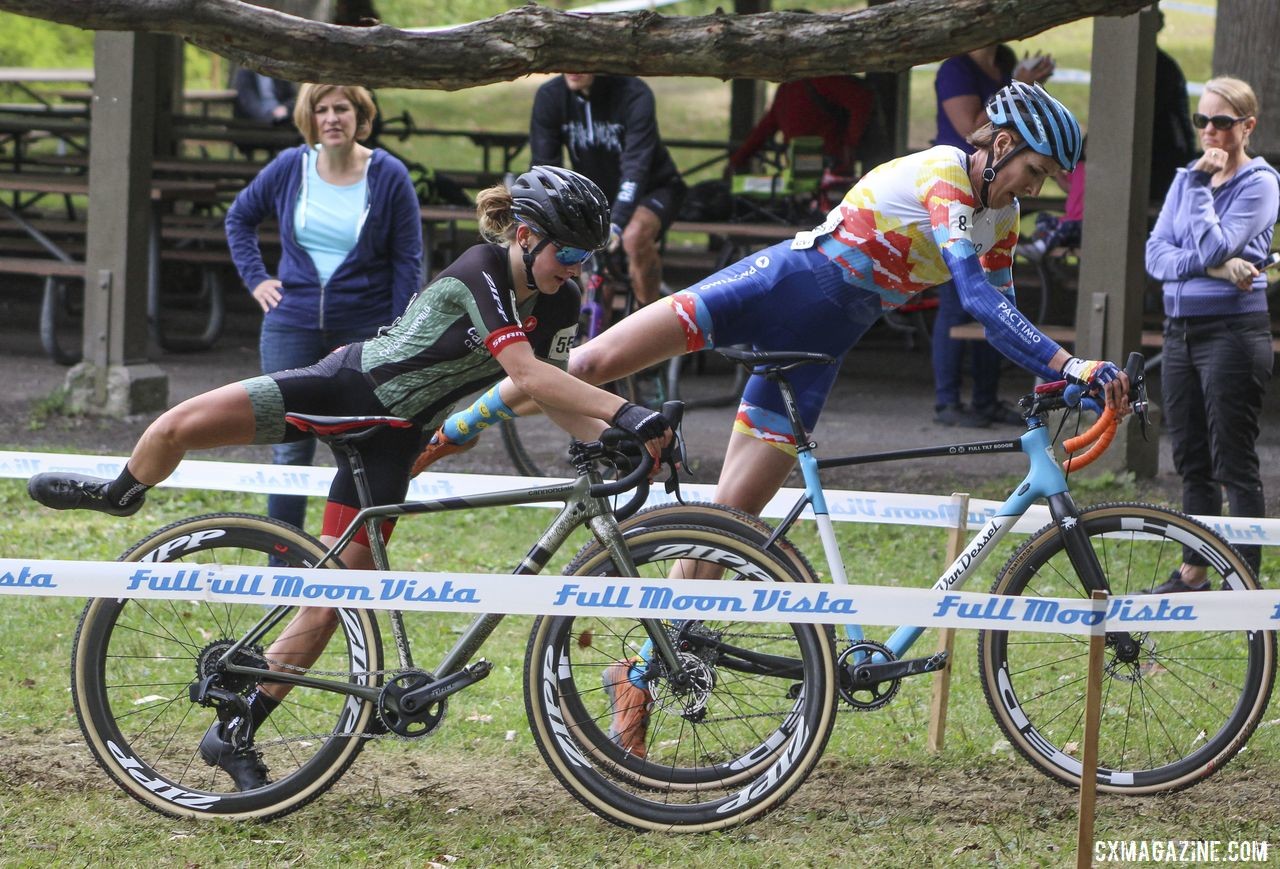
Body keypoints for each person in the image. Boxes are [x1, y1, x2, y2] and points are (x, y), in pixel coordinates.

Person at [417, 83, 1132, 751]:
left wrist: (1059, 375)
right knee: (592, 364)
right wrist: (1071, 364)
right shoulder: (945, 171)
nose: (1035, 192)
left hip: (820, 345)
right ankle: (451, 431)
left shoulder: (999, 216)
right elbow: (973, 296)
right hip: (779, 284)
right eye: (1033, 171)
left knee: (728, 527)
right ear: (1001, 145)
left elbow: (1003, 309)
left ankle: (633, 676)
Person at [27, 167, 675, 789]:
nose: (576, 268)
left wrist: (612, 441)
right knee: (178, 425)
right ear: (526, 235)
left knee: (334, 600)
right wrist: (627, 412)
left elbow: (553, 395)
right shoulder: (482, 271)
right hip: (349, 389)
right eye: (568, 251)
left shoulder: (561, 302)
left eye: (587, 257)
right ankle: (119, 492)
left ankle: (237, 726)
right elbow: (526, 376)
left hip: (395, 440)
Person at [225, 83, 423, 536]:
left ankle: (345, 560)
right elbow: (239, 217)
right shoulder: (289, 167)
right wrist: (256, 279)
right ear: (309, 118)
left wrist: (397, 332)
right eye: (322, 110)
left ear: (360, 117)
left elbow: (408, 260)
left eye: (342, 109)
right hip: (290, 325)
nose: (332, 118)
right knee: (289, 447)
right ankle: (284, 560)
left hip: (363, 329)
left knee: (358, 446)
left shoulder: (389, 174)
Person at [1144, 76, 1279, 592]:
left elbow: (1212, 243)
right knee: (1190, 458)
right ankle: (1193, 571)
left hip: (1231, 333)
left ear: (1247, 126)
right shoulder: (1186, 177)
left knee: (1233, 460)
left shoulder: (1260, 184)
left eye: (1223, 123)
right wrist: (1221, 271)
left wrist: (1202, 193)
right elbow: (1157, 256)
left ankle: (1242, 578)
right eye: (1203, 120)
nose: (1210, 132)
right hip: (1180, 333)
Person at [931, 44, 1055, 428]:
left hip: (993, 198)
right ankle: (946, 402)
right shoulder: (955, 68)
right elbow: (973, 130)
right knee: (958, 303)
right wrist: (1020, 86)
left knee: (997, 302)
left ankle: (985, 399)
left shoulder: (1003, 61)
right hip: (955, 192)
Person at [529, 73, 687, 306]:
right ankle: (591, 331)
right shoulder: (551, 96)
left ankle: (646, 319)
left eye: (584, 60)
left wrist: (616, 223)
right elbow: (545, 168)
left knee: (633, 237)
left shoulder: (633, 93)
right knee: (590, 261)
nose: (573, 68)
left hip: (654, 187)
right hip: (597, 194)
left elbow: (636, 167)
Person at [726, 74, 878, 179]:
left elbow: (862, 100)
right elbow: (766, 128)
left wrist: (850, 142)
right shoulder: (794, 86)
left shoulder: (819, 81)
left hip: (825, 172)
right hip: (823, 172)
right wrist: (850, 143)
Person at [232, 67, 297, 126]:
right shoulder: (245, 73)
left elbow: (291, 97)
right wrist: (270, 116)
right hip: (257, 120)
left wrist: (285, 108)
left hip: (282, 117)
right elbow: (248, 102)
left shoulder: (279, 72)